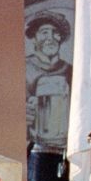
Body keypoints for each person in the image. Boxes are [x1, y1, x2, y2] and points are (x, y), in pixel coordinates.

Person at [25, 11, 73, 147]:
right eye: (44, 32)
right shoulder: (23, 68)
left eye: (55, 33)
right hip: (33, 149)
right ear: (34, 38)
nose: (50, 38)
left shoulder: (70, 70)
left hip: (65, 147)